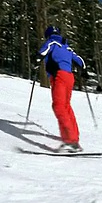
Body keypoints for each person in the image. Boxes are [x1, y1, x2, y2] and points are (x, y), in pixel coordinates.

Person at [37, 25, 88, 153]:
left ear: (48, 35)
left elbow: (44, 51)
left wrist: (37, 58)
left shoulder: (52, 42)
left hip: (59, 75)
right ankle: (72, 136)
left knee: (58, 106)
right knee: (65, 106)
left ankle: (71, 142)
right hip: (69, 77)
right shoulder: (66, 46)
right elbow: (79, 60)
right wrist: (84, 70)